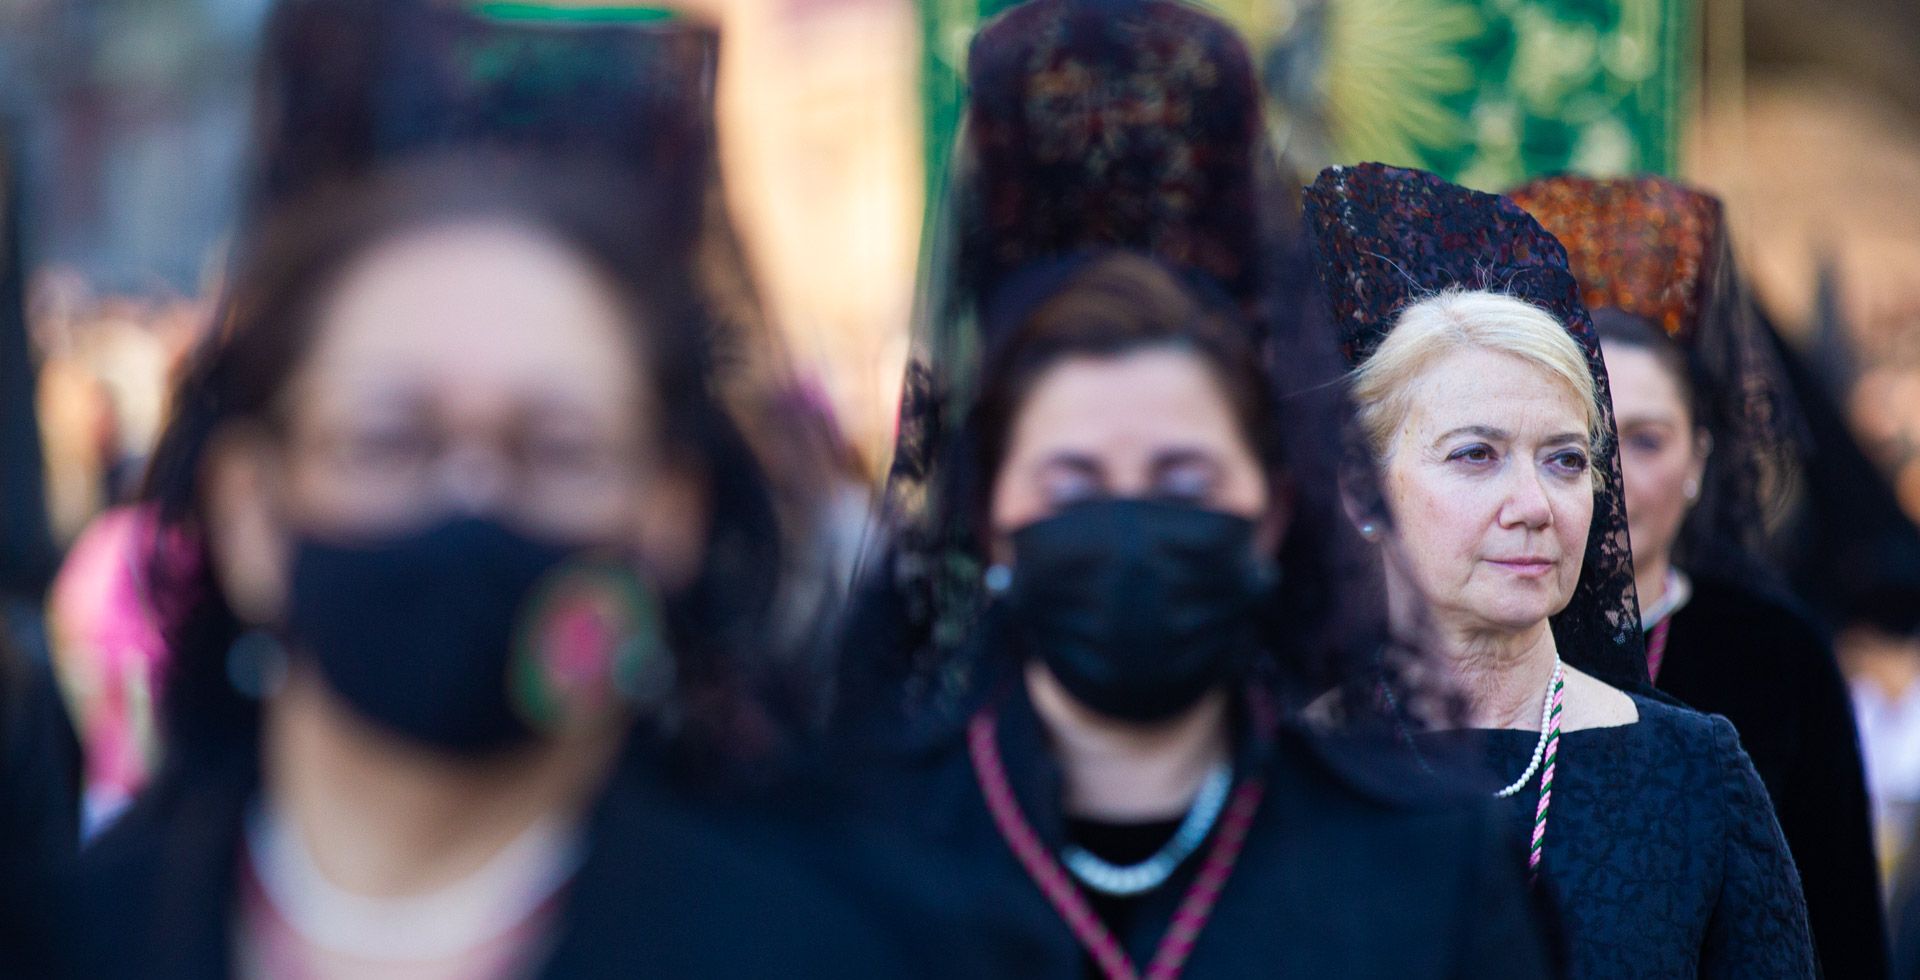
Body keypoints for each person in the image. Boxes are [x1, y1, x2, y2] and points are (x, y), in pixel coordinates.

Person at [59, 161, 929, 979]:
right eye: (387, 438)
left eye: (559, 448)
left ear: (669, 514)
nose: (471, 497)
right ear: (251, 509)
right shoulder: (65, 937)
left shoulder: (828, 953)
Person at [837, 3, 1554, 974]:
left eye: (1183, 475)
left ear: (1271, 508)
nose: (1130, 516)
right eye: (1073, 477)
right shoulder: (854, 863)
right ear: (989, 514)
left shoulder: (1429, 863)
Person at [1306, 162, 1815, 977]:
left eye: (1566, 460)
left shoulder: (1694, 773)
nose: (1533, 504)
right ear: (1364, 491)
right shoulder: (1292, 775)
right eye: (1476, 455)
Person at [1510, 173, 1886, 977]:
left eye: (1645, 440)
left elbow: (1844, 933)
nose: (1611, 476)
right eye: (1583, 442)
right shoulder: (1485, 644)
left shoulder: (1777, 655)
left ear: (1699, 460)